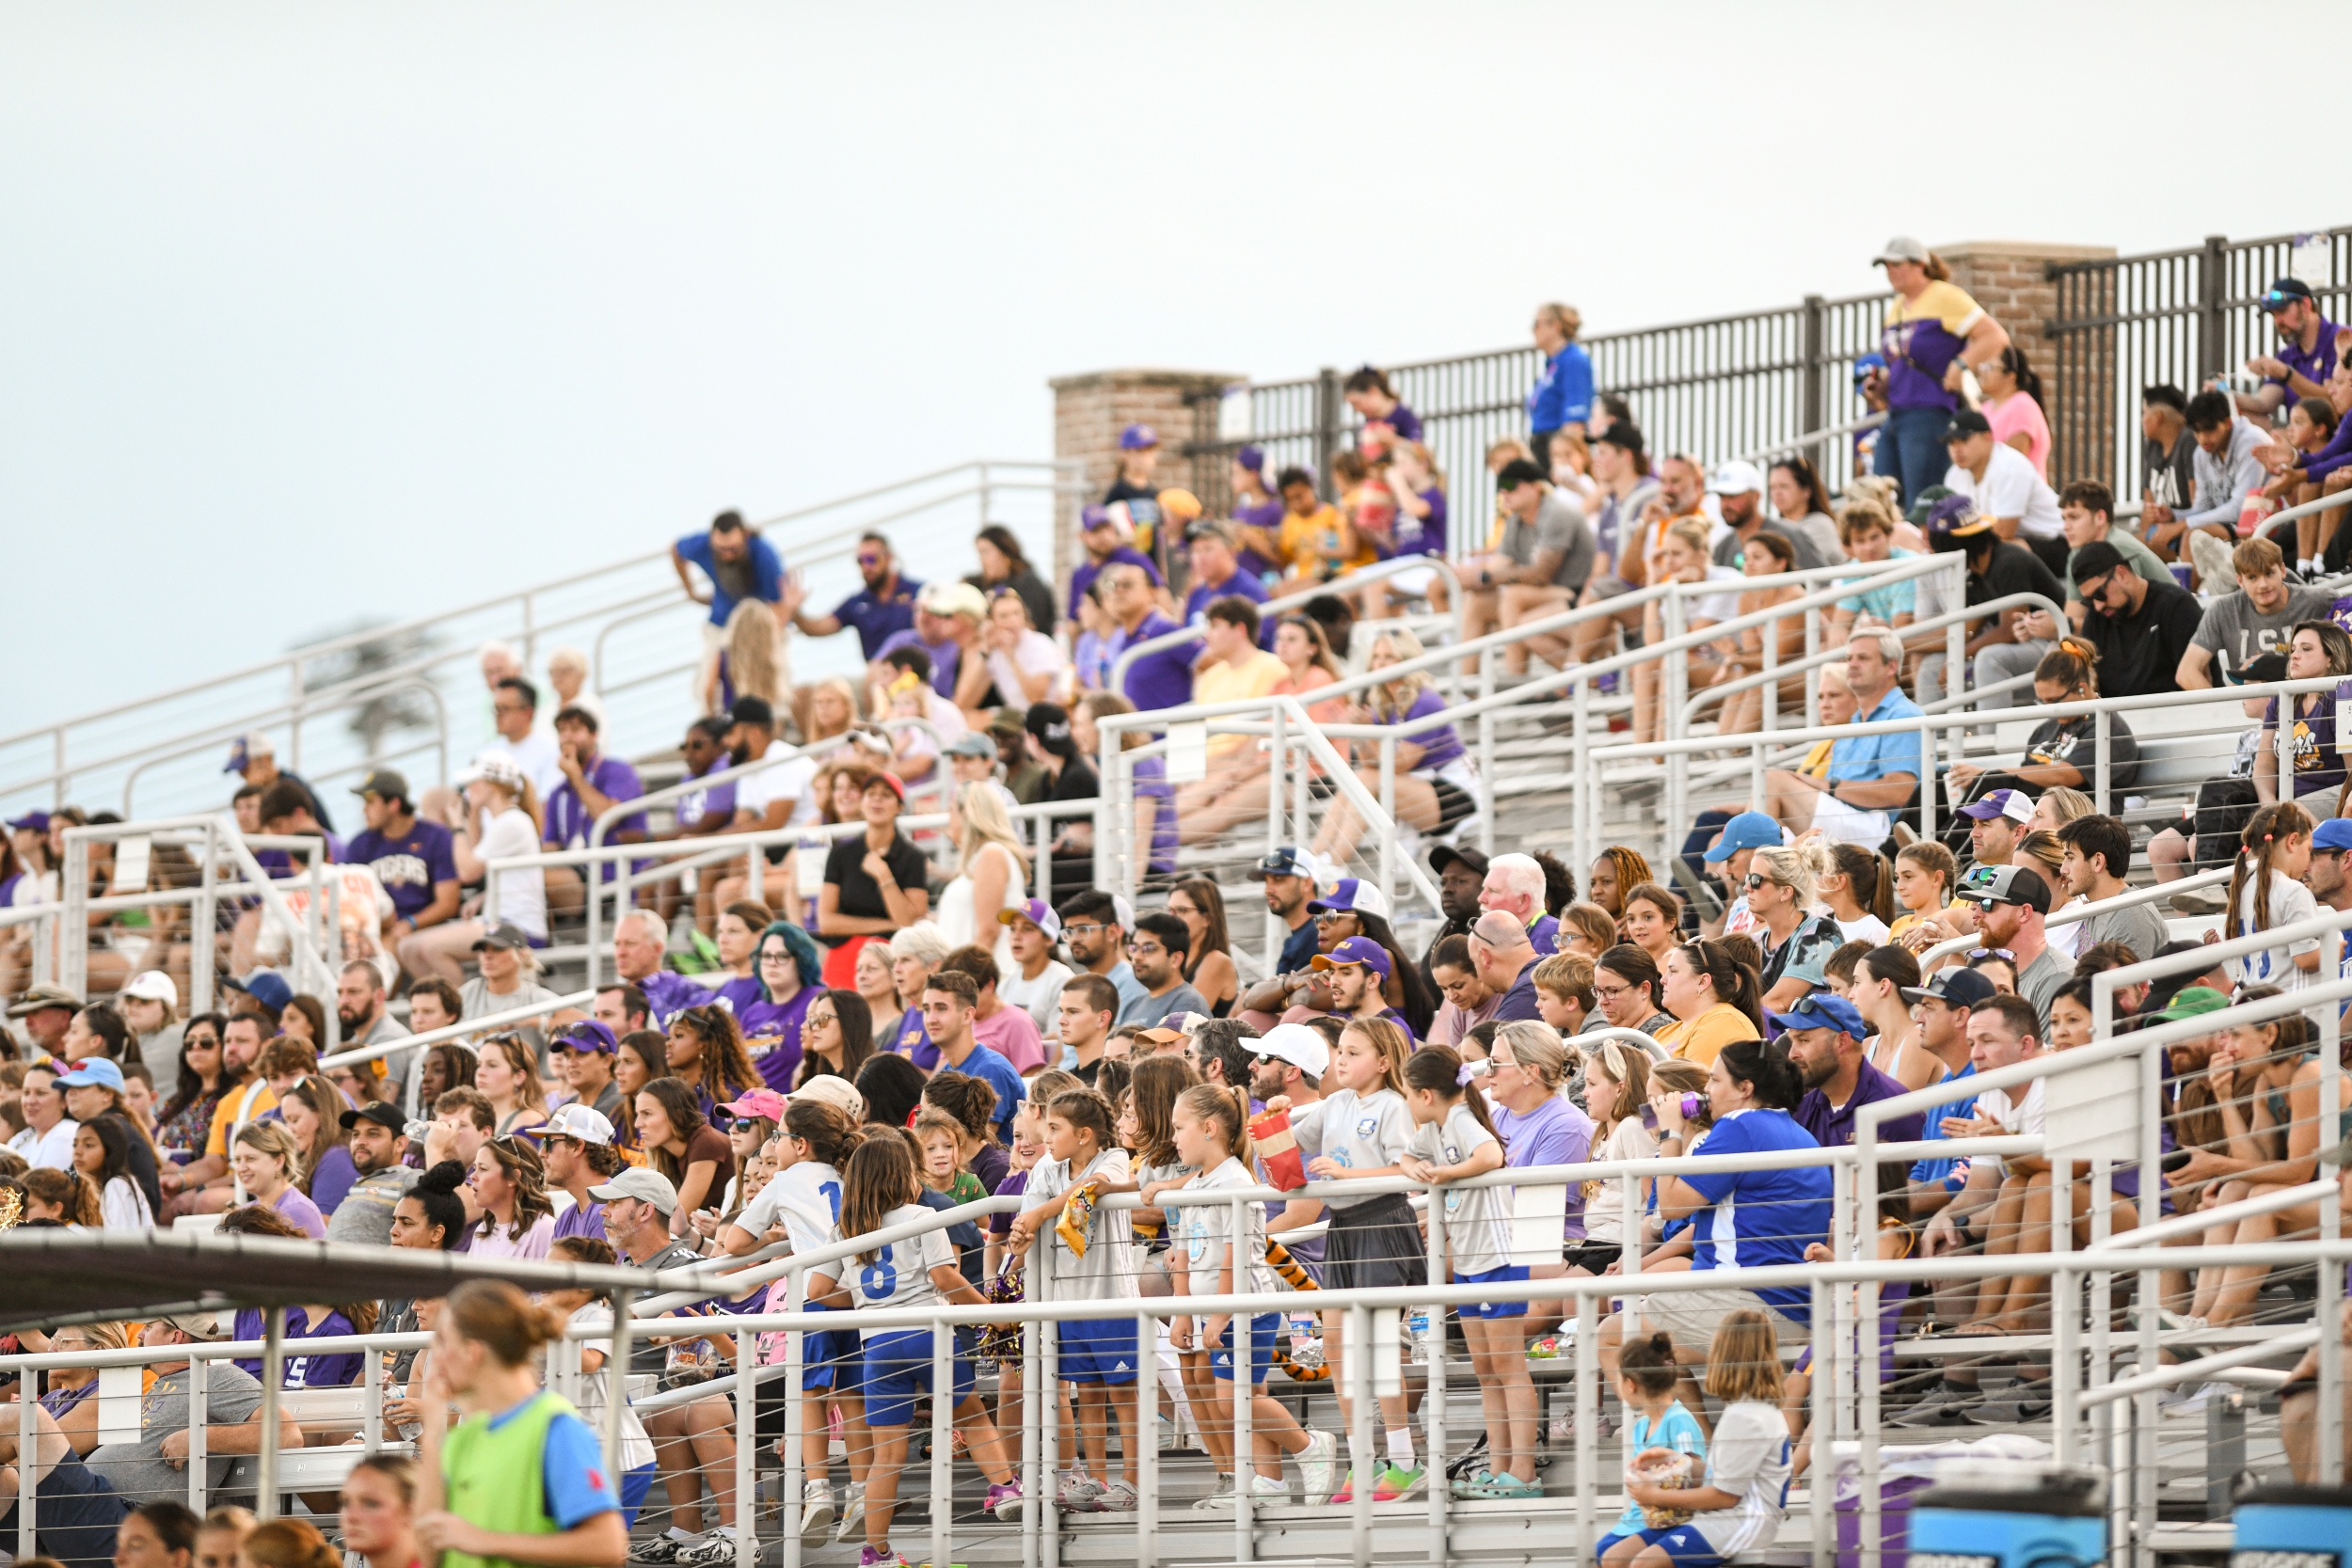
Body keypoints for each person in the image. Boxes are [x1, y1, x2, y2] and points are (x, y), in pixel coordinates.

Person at [806, 1133, 1026, 1558]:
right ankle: (1003, 1488)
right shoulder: (923, 1215)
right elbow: (946, 1278)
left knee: (887, 1455)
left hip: (878, 1347)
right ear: (902, 1176)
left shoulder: (845, 1229)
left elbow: (817, 1290)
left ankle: (876, 1553)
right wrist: (990, 1314)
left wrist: (865, 1301)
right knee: (973, 1418)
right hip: (928, 1336)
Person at [1285, 1018, 1423, 1502]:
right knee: (1339, 1346)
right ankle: (1361, 1458)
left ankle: (1405, 1461)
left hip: (1382, 1222)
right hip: (1343, 1229)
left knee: (1381, 1345)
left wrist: (1345, 1173)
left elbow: (1405, 1169)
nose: (1341, 1060)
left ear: (1383, 1062)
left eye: (1353, 1052)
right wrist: (1275, 1118)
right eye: (1338, 1051)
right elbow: (1288, 1146)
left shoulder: (1393, 1105)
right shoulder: (1335, 1103)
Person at [409, 1279, 630, 1568]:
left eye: (441, 1342)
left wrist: (485, 1541)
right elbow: (427, 1551)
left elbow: (608, 1546)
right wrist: (432, 1432)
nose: (434, 1358)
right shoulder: (464, 1437)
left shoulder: (555, 1426)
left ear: (472, 1351)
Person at [1309, 626, 1481, 864]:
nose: (1380, 664)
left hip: (1456, 793)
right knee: (1361, 776)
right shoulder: (1384, 703)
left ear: (1406, 660)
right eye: (1376, 657)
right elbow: (1371, 763)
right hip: (1421, 786)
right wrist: (1358, 733)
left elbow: (1398, 765)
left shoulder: (1425, 700)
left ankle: (1334, 862)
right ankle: (1316, 855)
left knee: (1368, 779)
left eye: (1389, 657)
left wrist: (1368, 730)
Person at [1871, 236, 2011, 506]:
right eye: (1887, 266)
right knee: (1882, 497)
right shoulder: (1898, 306)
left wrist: (1961, 364)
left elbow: (1994, 336)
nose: (1891, 271)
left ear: (1920, 265)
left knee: (1921, 499)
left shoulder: (1945, 296)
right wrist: (1884, 384)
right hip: (1898, 411)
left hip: (1929, 410)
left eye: (1898, 264)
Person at [1460, 457, 1595, 674]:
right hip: (1547, 596)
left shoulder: (1557, 514)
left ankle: (1515, 678)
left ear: (1535, 487)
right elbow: (1498, 566)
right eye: (1501, 488)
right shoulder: (1515, 520)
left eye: (1512, 486)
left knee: (1513, 595)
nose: (1505, 492)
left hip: (1576, 595)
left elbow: (1541, 575)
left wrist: (1487, 577)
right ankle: (1465, 688)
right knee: (1477, 602)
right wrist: (1472, 578)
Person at [540, 705, 646, 915]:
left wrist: (576, 777)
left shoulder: (617, 771)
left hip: (614, 876)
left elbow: (608, 817)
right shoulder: (558, 793)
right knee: (526, 876)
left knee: (536, 879)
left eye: (576, 729)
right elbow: (550, 846)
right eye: (562, 731)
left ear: (594, 735)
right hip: (576, 872)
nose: (567, 737)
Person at [2065, 539, 2201, 700]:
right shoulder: (2096, 619)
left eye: (2099, 594)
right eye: (2089, 600)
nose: (2097, 606)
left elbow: (2199, 682)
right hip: (2117, 720)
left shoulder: (2177, 606)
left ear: (2122, 573)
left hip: (2174, 715)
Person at [1941, 408, 2064, 576]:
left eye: (1963, 439)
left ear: (1988, 437)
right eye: (1951, 442)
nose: (1957, 449)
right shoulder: (1955, 474)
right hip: (2018, 543)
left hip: (2057, 542)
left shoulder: (2011, 466)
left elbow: (2003, 532)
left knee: (2003, 552)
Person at [2255, 621, 2352, 807]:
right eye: (2293, 649)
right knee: (2217, 795)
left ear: (2331, 657)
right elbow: (2264, 766)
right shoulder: (2282, 699)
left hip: (2333, 795)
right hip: (2286, 799)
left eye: (2306, 649)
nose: (2295, 656)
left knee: (2287, 818)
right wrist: (2267, 802)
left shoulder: (2342, 695)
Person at [787, 531, 922, 661]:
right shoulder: (857, 603)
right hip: (877, 678)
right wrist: (794, 611)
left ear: (889, 558)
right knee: (831, 685)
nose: (866, 566)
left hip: (916, 675)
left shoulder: (918, 592)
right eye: (860, 561)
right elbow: (818, 628)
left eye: (872, 559)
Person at [2240, 277, 2345, 421]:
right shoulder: (2286, 356)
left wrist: (2286, 374)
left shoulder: (2340, 339)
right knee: (2245, 419)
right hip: (2303, 441)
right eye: (2273, 315)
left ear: (2306, 305)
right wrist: (2226, 395)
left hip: (2339, 438)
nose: (2278, 321)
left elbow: (2333, 401)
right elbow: (2263, 403)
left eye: (2282, 311)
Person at [1656, 940, 1764, 1067]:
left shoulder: (1723, 1024)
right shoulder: (1664, 1031)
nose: (1663, 980)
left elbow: (1695, 1085)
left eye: (1673, 971)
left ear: (1702, 982)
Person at [1525, 301, 1594, 451]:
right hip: (1543, 445)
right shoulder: (1552, 365)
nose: (1533, 330)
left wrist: (1562, 459)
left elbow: (1575, 421)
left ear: (1555, 326)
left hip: (1556, 447)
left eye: (1537, 323)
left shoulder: (1573, 360)